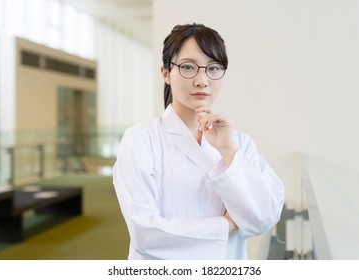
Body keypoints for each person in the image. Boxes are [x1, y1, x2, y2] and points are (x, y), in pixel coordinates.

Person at [113, 23, 284, 260]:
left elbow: (264, 216)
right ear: (165, 73)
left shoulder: (239, 144)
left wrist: (227, 149)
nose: (202, 80)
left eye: (213, 68)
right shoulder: (141, 139)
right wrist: (225, 226)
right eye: (188, 67)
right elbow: (145, 233)